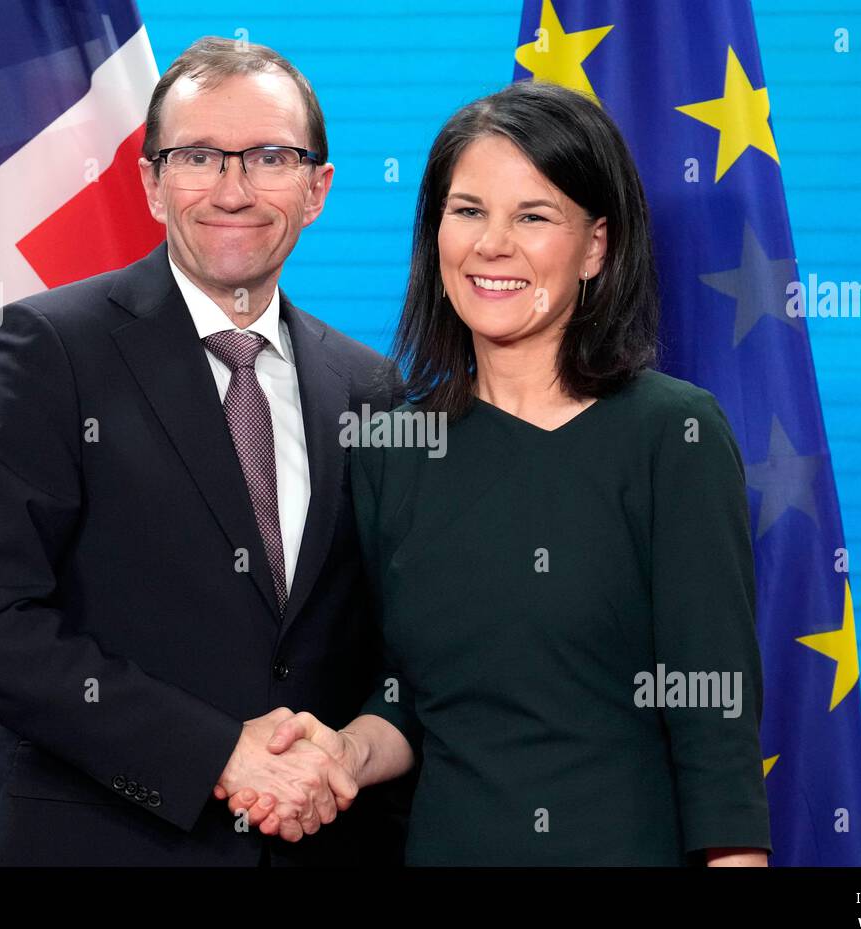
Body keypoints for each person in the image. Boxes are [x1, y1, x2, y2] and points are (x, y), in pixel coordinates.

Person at [222, 81, 774, 865]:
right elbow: (408, 695)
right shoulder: (391, 446)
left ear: (596, 247)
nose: (492, 245)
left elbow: (715, 731)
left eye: (534, 216)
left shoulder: (672, 437)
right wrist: (342, 754)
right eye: (469, 210)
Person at [0, 36, 408, 866]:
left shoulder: (369, 387)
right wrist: (217, 752)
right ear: (151, 182)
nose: (233, 189)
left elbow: (394, 642)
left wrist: (339, 758)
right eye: (197, 157)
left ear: (317, 187)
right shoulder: (50, 349)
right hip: (97, 843)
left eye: (269, 157)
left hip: (315, 847)